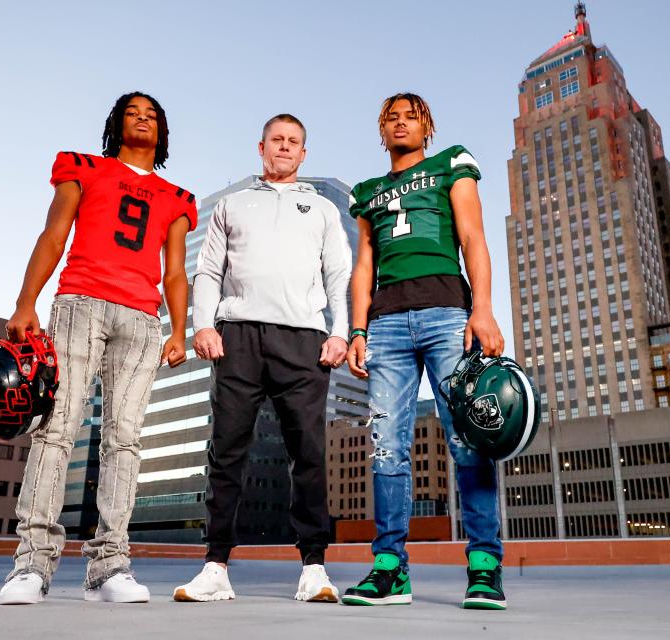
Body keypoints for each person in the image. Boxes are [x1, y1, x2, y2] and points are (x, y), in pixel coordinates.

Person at [0, 91, 196, 605]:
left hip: (142, 318)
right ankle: (32, 566)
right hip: (80, 302)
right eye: (132, 112)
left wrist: (178, 330)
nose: (142, 120)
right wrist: (26, 302)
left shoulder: (177, 196)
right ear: (115, 124)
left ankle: (109, 568)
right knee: (56, 429)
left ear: (163, 131)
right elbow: (54, 232)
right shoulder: (82, 167)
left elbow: (175, 270)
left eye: (152, 115)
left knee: (125, 440)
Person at [173, 114, 351, 603]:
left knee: (308, 455)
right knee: (227, 451)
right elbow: (209, 271)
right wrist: (203, 325)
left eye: (294, 142)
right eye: (278, 140)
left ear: (303, 153)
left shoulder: (321, 210)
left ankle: (314, 567)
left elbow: (338, 274)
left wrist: (340, 332)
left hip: (304, 341)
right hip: (239, 337)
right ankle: (215, 567)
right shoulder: (233, 204)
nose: (285, 147)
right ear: (262, 147)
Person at [340, 93, 508, 609]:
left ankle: (484, 567)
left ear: (427, 126)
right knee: (387, 447)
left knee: (467, 440)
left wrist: (482, 309)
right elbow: (363, 266)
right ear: (380, 129)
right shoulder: (368, 192)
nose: (400, 124)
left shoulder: (450, 162)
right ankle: (390, 569)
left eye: (410, 117)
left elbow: (473, 236)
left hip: (445, 314)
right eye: (391, 118)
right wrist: (357, 330)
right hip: (386, 324)